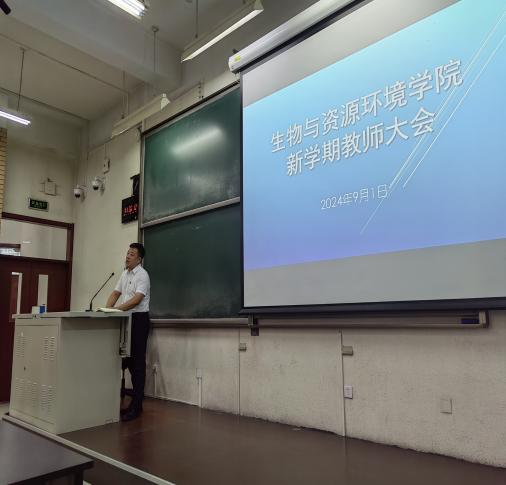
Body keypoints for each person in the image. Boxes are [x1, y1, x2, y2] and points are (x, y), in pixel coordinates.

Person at [106, 242, 150, 422]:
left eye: (132, 254)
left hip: (139, 320)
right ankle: (133, 404)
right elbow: (115, 293)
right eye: (127, 253)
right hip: (126, 320)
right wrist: (106, 310)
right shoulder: (124, 274)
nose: (127, 257)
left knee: (137, 364)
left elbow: (137, 299)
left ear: (139, 259)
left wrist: (116, 309)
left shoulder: (142, 275)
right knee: (128, 361)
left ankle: (137, 406)